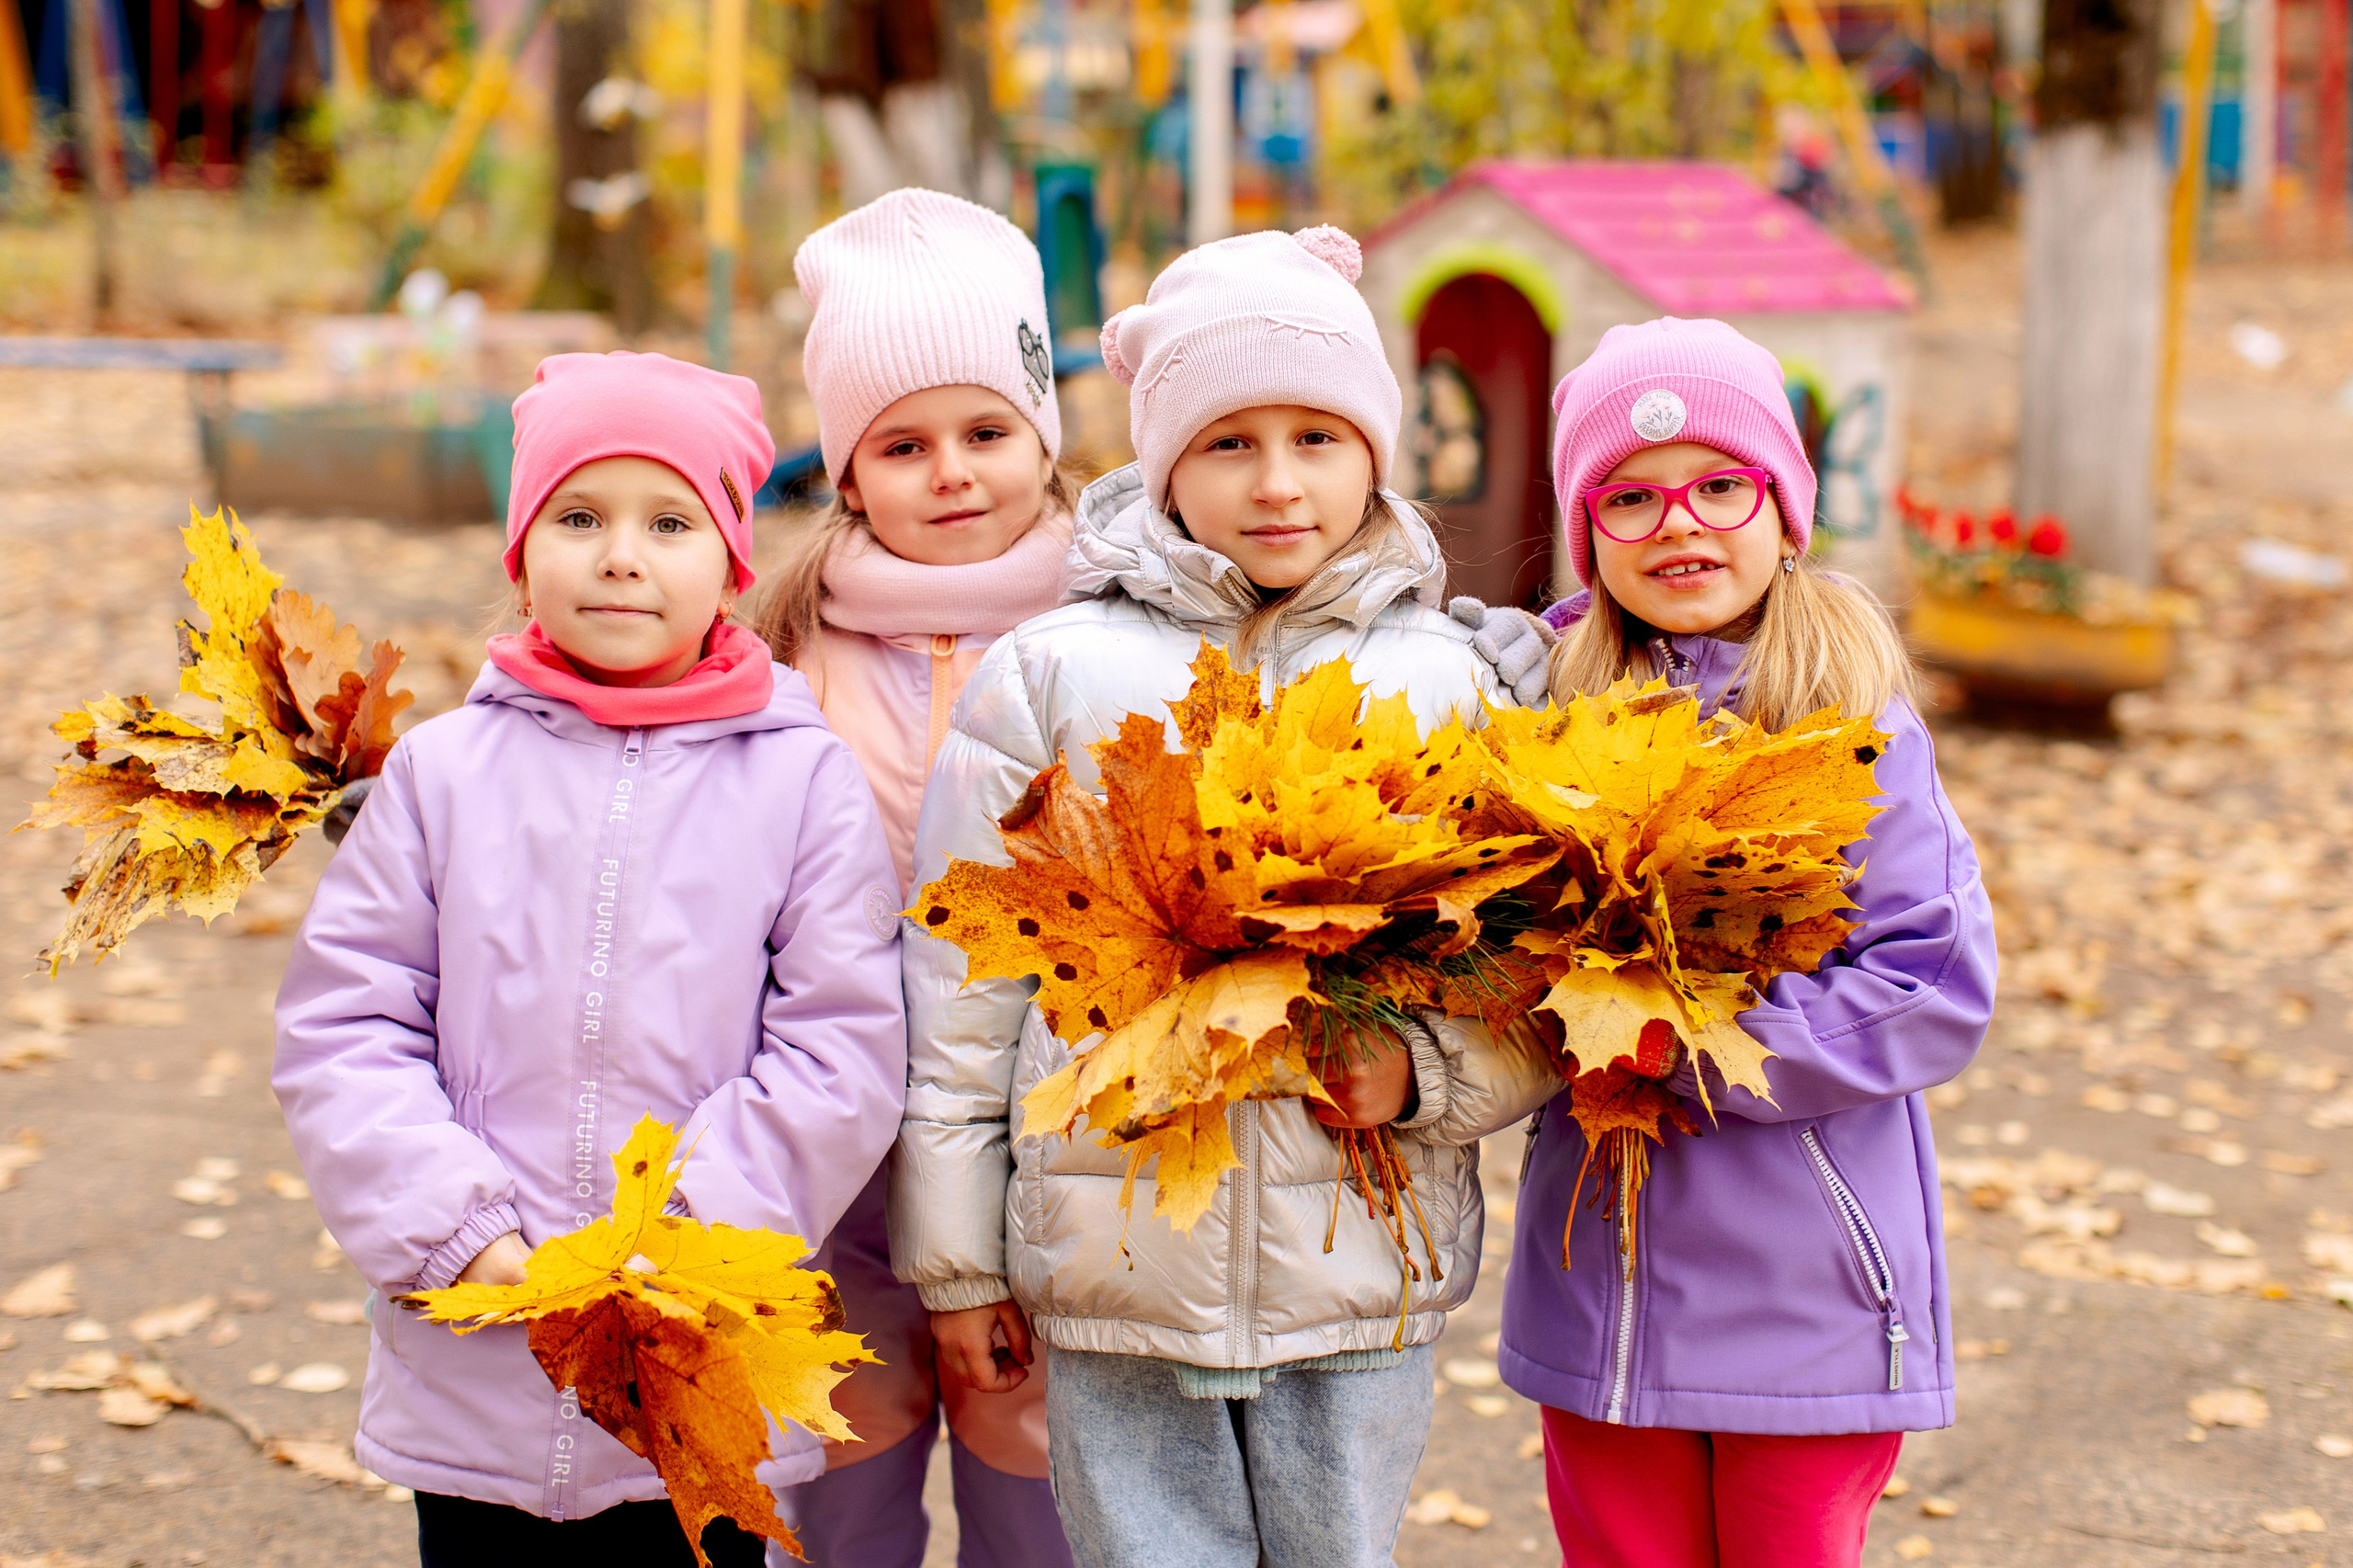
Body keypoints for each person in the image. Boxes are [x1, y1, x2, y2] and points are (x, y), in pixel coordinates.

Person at [889, 223, 1559, 1568]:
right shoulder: (1051, 676)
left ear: (1378, 449)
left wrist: (1424, 1076)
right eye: (1227, 443)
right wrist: (957, 1259)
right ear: (1163, 464)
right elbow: (963, 987)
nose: (1275, 483)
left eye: (1317, 437)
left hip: (1360, 1258)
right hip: (1116, 1248)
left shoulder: (1455, 682)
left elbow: (1536, 983)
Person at [274, 352, 909, 1568]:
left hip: (697, 1355)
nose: (621, 554)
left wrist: (685, 1232)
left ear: (729, 560)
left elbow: (841, 1048)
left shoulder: (798, 776)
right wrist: (461, 1236)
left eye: (668, 520)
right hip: (478, 1354)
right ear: (522, 551)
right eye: (579, 516)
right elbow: (344, 1030)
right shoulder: (444, 775)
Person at [1505, 317, 1996, 1567]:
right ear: (1587, 533)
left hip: (1808, 1291)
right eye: (1631, 497)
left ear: (1786, 512)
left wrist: (1696, 1045)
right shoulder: (1545, 724)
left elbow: (1930, 980)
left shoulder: (1851, 719)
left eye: (1722, 485)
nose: (1680, 521)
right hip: (1603, 1296)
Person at [755, 186, 1077, 1568]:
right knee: (840, 1486)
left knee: (1044, 1483)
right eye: (903, 443)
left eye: (986, 431)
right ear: (847, 471)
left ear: (1044, 439)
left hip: (1047, 1145)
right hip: (835, 1154)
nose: (951, 470)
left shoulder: (1118, 635)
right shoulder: (782, 655)